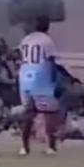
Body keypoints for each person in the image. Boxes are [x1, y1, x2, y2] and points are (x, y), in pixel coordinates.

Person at [17, 16, 62, 155]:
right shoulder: (47, 40)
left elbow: (20, 57)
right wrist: (54, 80)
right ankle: (51, 146)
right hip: (41, 77)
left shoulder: (26, 39)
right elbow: (51, 61)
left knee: (29, 112)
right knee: (50, 112)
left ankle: (24, 147)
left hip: (25, 76)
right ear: (47, 26)